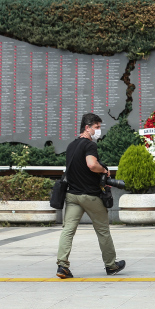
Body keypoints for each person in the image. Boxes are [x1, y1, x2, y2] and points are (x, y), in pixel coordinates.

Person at [56, 113, 125, 279]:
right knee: (103, 231)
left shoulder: (72, 145)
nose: (99, 131)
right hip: (90, 196)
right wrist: (104, 170)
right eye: (97, 127)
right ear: (87, 128)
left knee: (68, 230)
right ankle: (111, 265)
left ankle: (62, 266)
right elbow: (91, 164)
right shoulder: (89, 145)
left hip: (72, 195)